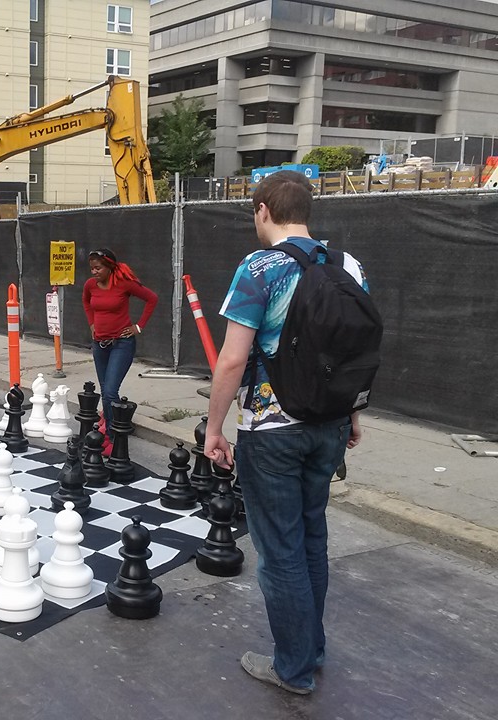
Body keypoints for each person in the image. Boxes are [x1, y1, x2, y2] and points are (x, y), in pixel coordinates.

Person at [203, 170, 366, 695]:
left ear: (263, 211)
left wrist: (214, 427)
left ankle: (292, 668)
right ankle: (310, 649)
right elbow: (356, 351)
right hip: (330, 425)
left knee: (280, 552)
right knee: (313, 537)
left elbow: (232, 360)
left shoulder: (259, 267)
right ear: (307, 211)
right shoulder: (349, 265)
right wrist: (353, 415)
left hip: (272, 431)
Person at [82, 248, 157, 441]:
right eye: (92, 268)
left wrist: (138, 327)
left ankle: (113, 436)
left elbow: (152, 298)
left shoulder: (124, 284)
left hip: (121, 344)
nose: (94, 272)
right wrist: (91, 323)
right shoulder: (90, 285)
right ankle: (110, 424)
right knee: (105, 389)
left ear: (109, 267)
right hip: (99, 344)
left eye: (98, 268)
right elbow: (86, 302)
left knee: (110, 391)